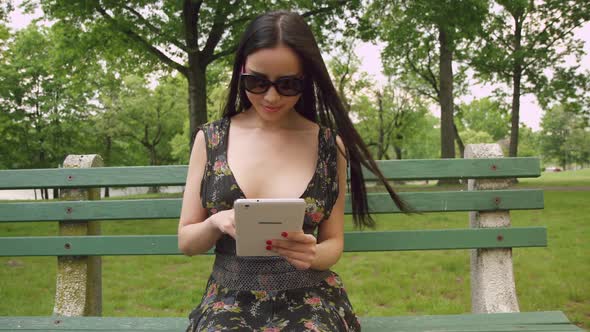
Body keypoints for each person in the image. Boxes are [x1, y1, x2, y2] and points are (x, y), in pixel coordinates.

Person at [178, 10, 410, 332]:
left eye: (287, 84)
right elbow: (187, 241)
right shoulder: (212, 139)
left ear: (306, 81)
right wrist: (217, 222)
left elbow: (334, 244)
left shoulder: (330, 146)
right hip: (229, 299)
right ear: (240, 73)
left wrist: (312, 254)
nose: (271, 97)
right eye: (256, 82)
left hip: (309, 295)